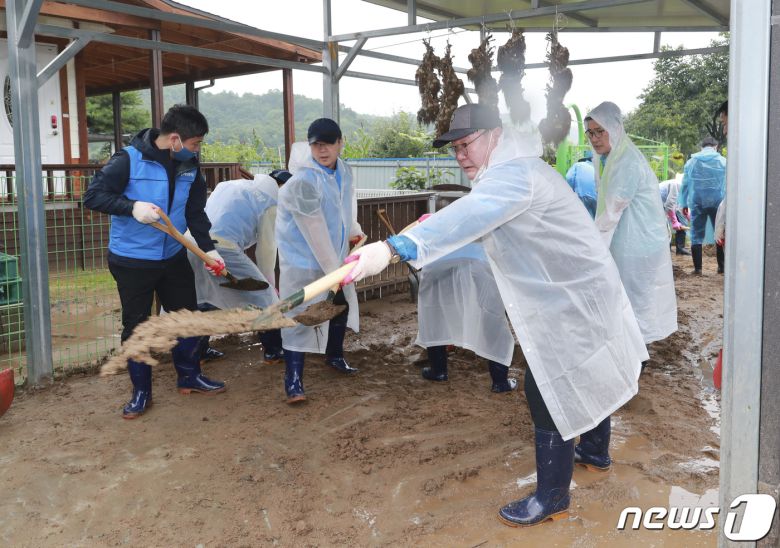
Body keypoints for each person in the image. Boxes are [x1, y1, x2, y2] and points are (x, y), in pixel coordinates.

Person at [342, 104, 648, 527]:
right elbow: (478, 224)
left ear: (495, 135)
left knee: (547, 387)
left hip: (571, 299)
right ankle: (594, 452)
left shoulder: (514, 175)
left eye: (466, 144)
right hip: (582, 293)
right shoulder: (516, 172)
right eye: (454, 149)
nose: (461, 155)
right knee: (587, 371)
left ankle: (552, 497)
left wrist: (394, 247)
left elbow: (471, 214)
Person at [83, 104, 226, 419]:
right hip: (133, 259)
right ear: (174, 139)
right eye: (195, 143)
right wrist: (131, 207)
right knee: (137, 325)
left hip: (172, 256)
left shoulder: (189, 166)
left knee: (186, 317)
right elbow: (92, 196)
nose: (197, 149)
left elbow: (194, 212)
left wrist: (208, 249)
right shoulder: (128, 160)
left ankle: (189, 376)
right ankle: (141, 393)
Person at [275, 119, 364, 404]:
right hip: (302, 262)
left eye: (328, 143)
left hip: (334, 256)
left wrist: (352, 230)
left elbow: (345, 204)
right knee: (298, 318)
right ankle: (294, 380)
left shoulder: (344, 170)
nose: (322, 150)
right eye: (316, 144)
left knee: (339, 306)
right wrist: (335, 273)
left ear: (341, 142)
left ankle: (334, 356)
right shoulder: (302, 182)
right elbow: (314, 232)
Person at [585, 102, 678, 346]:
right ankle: (633, 348)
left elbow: (612, 210)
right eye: (590, 132)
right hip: (629, 242)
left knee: (635, 299)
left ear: (615, 129)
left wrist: (588, 246)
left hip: (639, 246)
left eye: (600, 131)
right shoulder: (613, 158)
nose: (595, 139)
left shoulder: (626, 161)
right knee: (628, 297)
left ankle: (638, 354)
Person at [189, 170, 291, 365]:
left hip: (192, 243)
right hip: (221, 247)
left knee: (205, 297)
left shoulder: (232, 184)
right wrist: (269, 283)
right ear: (282, 187)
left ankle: (199, 352)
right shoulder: (271, 201)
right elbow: (267, 249)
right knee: (265, 297)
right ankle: (274, 351)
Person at [415, 214, 516, 393]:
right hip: (480, 265)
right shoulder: (471, 220)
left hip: (438, 267)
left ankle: (439, 371)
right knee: (491, 317)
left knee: (436, 316)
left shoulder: (429, 230)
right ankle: (500, 381)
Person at [679, 135, 727, 275]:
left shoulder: (691, 162)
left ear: (701, 147)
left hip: (697, 201)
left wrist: (683, 203)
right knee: (720, 232)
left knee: (696, 234)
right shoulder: (724, 162)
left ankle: (698, 269)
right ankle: (722, 267)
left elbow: (685, 185)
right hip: (718, 202)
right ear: (716, 147)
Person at [659, 172, 691, 255]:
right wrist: (674, 221)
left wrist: (688, 216)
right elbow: (669, 205)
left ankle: (680, 249)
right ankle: (666, 251)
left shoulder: (685, 189)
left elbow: (680, 205)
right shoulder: (677, 185)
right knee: (664, 228)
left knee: (682, 222)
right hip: (657, 203)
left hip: (666, 205)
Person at [565, 149, 597, 218]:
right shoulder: (596, 168)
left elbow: (569, 177)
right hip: (596, 196)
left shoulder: (578, 165)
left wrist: (572, 190)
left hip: (581, 194)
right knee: (595, 219)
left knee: (581, 218)